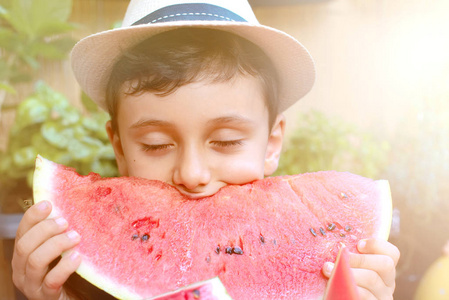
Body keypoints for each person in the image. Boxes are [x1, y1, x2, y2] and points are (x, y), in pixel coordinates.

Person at [11, 0, 400, 299]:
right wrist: (51, 293)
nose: (193, 174)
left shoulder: (322, 260)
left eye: (227, 141)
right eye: (156, 145)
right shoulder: (84, 271)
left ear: (272, 143)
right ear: (120, 146)